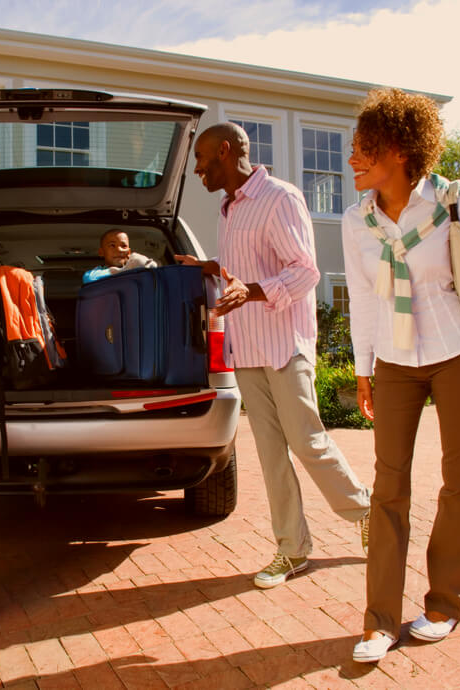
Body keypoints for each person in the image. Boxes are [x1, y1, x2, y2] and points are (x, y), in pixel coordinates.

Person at [343, 89, 460, 663]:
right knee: (388, 487)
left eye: (363, 151)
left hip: (456, 352)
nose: (352, 160)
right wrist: (363, 367)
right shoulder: (358, 223)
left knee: (459, 480)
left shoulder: (452, 203)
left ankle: (445, 603)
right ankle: (379, 619)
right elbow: (362, 300)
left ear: (399, 150)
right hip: (397, 361)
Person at [176, 122, 371, 589]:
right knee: (270, 453)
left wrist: (254, 292)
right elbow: (244, 274)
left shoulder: (279, 197)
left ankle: (368, 510)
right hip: (247, 349)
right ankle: (292, 549)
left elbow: (305, 272)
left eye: (202, 158)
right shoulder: (228, 209)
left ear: (226, 151)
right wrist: (212, 271)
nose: (198, 168)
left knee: (307, 441)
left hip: (285, 344)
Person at [82, 228, 156, 284]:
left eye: (124, 246)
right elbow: (89, 278)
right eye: (112, 245)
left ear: (129, 252)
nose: (119, 250)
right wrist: (125, 270)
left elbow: (152, 269)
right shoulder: (95, 273)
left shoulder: (135, 268)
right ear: (101, 252)